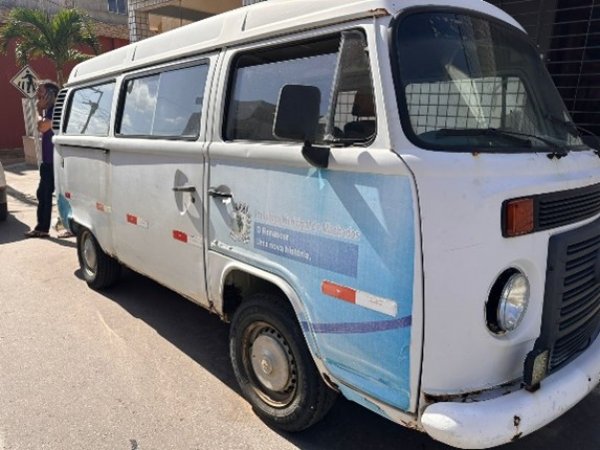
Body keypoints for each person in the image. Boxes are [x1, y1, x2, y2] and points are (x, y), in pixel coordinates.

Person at [24, 80, 59, 238]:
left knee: (47, 194)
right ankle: (42, 228)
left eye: (41, 92)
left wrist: (38, 110)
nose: (38, 96)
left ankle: (44, 228)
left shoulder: (57, 110)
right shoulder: (49, 110)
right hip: (48, 161)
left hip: (56, 162)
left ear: (50, 95)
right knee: (43, 194)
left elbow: (42, 126)